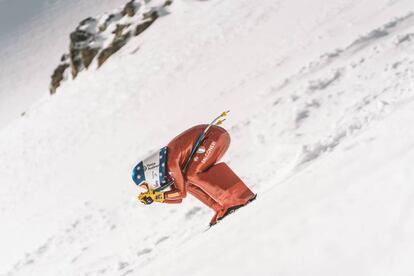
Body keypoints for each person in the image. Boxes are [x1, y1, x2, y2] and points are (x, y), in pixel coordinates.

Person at [133, 124, 256, 226]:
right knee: (187, 181)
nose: (151, 189)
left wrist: (158, 196)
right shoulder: (169, 167)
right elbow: (179, 198)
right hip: (215, 137)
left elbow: (181, 193)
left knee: (192, 174)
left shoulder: (171, 163)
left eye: (147, 185)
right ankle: (221, 208)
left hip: (215, 136)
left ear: (151, 173)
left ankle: (234, 199)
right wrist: (157, 197)